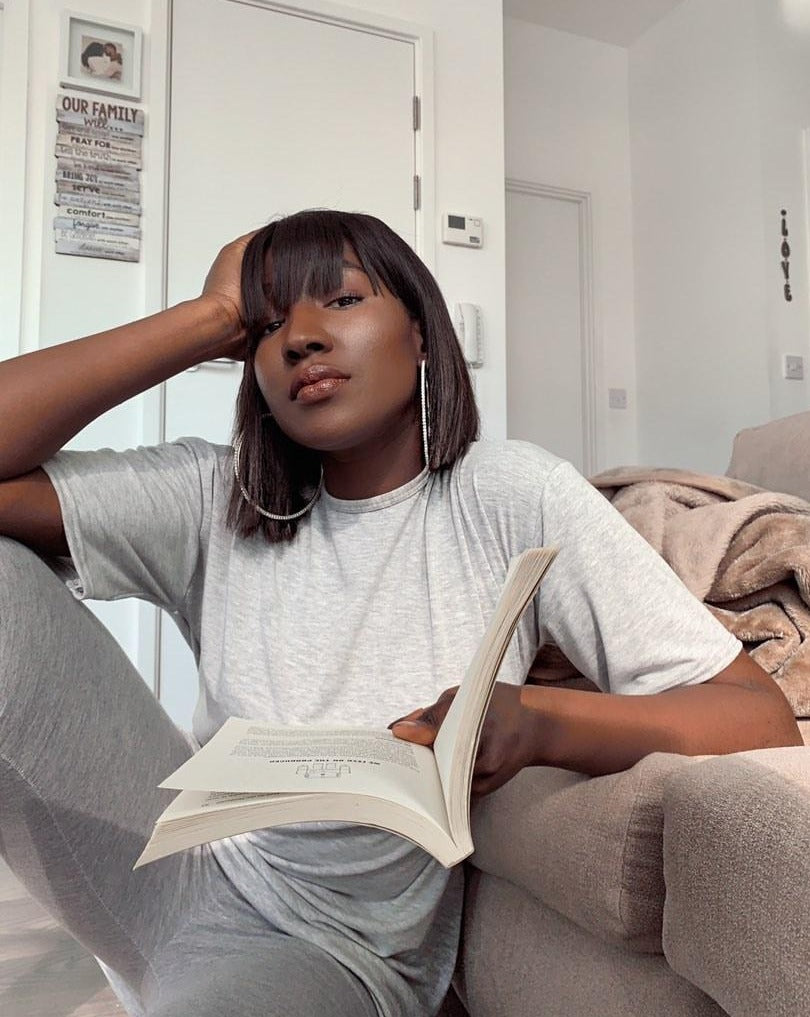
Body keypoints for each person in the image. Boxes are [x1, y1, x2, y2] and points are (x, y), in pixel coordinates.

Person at [0, 209, 800, 1017]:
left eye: (340, 301)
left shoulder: (513, 495)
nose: (301, 337)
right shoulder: (217, 493)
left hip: (322, 945)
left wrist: (542, 722)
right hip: (162, 854)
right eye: (269, 321)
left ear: (421, 334)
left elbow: (755, 716)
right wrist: (206, 319)